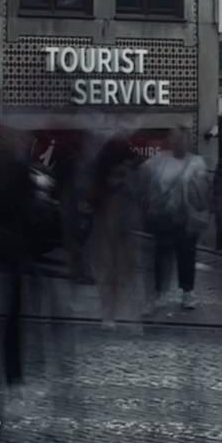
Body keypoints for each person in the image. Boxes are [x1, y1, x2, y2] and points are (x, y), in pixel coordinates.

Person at [142, 129, 209, 312]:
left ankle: (187, 291)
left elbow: (202, 190)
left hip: (186, 216)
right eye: (175, 138)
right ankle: (160, 292)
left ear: (187, 141)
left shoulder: (196, 162)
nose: (178, 142)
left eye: (181, 138)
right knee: (162, 253)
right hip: (164, 215)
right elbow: (144, 172)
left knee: (186, 254)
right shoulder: (160, 159)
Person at [89, 135, 139, 328]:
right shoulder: (116, 161)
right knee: (112, 270)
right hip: (111, 222)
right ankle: (109, 312)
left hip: (115, 223)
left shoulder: (115, 161)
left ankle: (109, 312)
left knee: (111, 270)